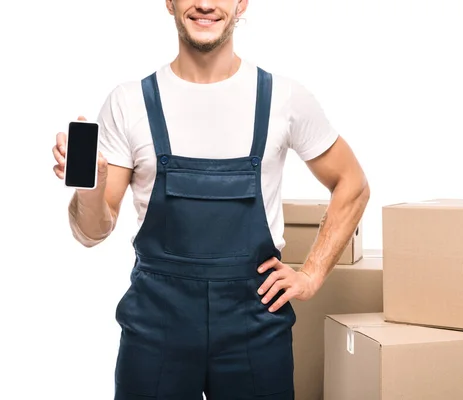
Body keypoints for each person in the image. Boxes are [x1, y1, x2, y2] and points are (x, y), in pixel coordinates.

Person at [51, 0, 369, 399]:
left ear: (241, 3)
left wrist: (311, 274)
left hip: (255, 327)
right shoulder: (128, 102)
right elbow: (91, 232)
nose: (204, 4)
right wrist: (92, 186)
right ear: (169, 2)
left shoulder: (284, 98)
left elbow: (352, 184)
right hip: (155, 329)